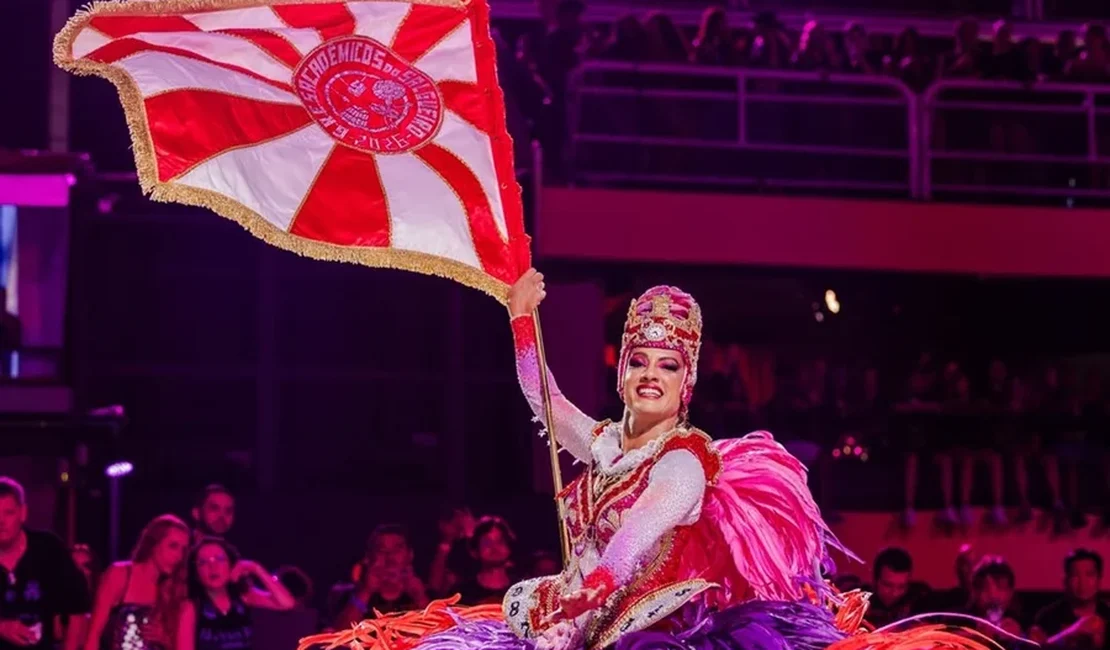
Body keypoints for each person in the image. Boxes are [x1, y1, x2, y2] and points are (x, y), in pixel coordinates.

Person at [303, 273, 997, 650]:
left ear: (687, 381)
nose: (651, 375)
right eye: (639, 361)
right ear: (621, 370)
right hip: (577, 619)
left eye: (669, 365)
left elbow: (631, 549)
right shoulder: (605, 443)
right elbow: (541, 398)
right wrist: (518, 314)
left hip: (649, 631)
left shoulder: (683, 463)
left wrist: (571, 604)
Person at [0, 477, 90, 650]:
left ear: (23, 513)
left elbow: (78, 605)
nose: (1, 522)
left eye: (8, 513)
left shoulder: (48, 547)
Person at [85, 515, 190, 650]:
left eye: (183, 550)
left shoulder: (172, 588)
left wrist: (164, 639)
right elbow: (93, 636)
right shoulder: (120, 574)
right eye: (173, 546)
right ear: (154, 544)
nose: (179, 556)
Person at [176, 538, 294, 650]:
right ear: (196, 572)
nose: (213, 567)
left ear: (231, 565)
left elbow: (287, 603)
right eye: (203, 562)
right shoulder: (191, 608)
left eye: (220, 559)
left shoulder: (244, 596)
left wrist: (255, 568)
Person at [327, 525, 428, 629]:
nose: (390, 557)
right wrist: (365, 592)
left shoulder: (427, 595)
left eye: (397, 549)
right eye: (382, 550)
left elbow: (439, 636)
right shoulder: (345, 595)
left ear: (410, 555)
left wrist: (420, 598)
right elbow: (339, 635)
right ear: (369, 557)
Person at [1031, 549, 1110, 649]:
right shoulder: (1048, 616)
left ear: (1099, 579)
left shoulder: (1107, 614)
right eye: (1075, 575)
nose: (1082, 582)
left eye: (1089, 575)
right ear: (1066, 580)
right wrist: (1073, 632)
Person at [457, 517, 517, 606]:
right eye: (487, 543)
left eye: (500, 541)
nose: (495, 548)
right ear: (474, 551)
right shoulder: (461, 594)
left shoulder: (521, 591)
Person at [865, 547, 929, 628]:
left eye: (901, 587)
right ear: (875, 580)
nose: (895, 593)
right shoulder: (860, 605)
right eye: (888, 585)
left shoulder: (919, 602)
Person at [964, 556, 1022, 638]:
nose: (993, 595)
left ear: (1011, 592)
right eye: (984, 587)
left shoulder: (1023, 623)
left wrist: (1020, 639)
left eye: (1001, 586)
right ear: (974, 592)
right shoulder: (958, 620)